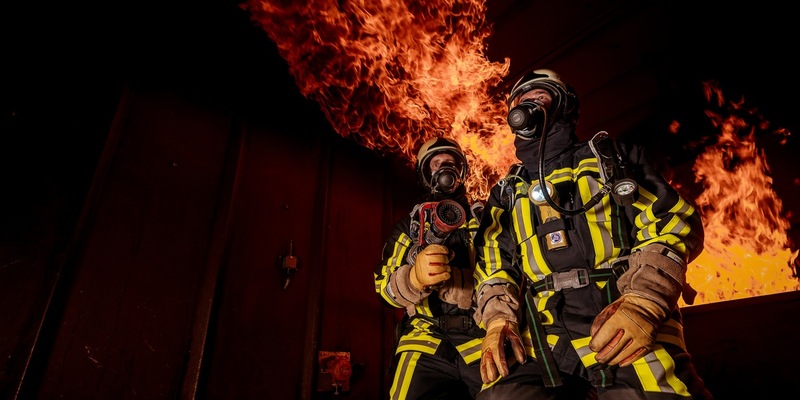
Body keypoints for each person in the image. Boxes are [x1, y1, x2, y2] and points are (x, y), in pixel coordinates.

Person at [472, 69, 714, 399]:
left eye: (541, 95)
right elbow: (492, 263)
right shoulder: (507, 191)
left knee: (656, 393)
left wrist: (644, 302)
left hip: (619, 310)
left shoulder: (610, 158)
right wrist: (498, 320)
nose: (529, 102)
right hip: (544, 330)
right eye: (522, 99)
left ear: (564, 106)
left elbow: (671, 224)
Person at [375, 137, 486, 399]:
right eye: (436, 163)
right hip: (424, 337)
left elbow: (508, 273)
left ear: (461, 172)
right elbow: (382, 287)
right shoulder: (407, 228)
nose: (444, 168)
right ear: (426, 174)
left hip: (481, 337)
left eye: (450, 163)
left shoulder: (483, 219)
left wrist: (464, 284)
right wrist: (412, 279)